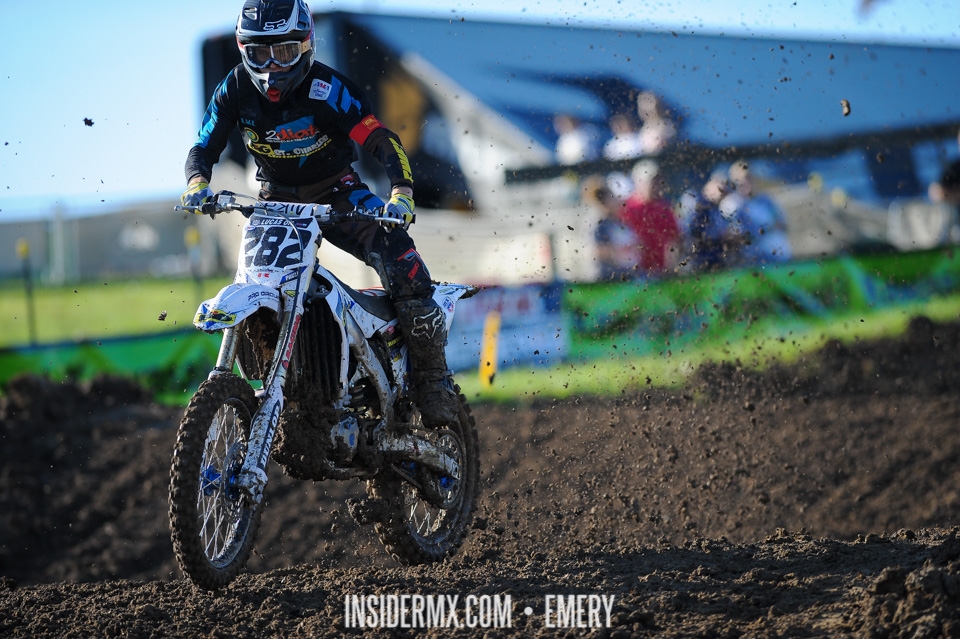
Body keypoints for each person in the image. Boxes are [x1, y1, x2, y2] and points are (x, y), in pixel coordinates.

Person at [180, 0, 458, 427]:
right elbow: (203, 145)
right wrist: (197, 183)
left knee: (404, 265)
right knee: (261, 283)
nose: (272, 66)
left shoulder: (329, 88)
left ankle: (432, 379)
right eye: (259, 53)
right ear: (242, 49)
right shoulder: (234, 88)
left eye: (284, 52)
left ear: (306, 45)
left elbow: (381, 139)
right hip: (274, 204)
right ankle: (298, 380)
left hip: (339, 195)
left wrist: (401, 192)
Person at [619, 160, 682, 277]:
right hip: (632, 273)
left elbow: (674, 240)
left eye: (658, 180)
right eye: (652, 181)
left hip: (660, 273)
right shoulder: (626, 209)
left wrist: (671, 268)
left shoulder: (664, 209)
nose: (656, 184)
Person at [722, 160, 792, 265]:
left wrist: (769, 230)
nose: (745, 182)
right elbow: (728, 234)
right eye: (740, 180)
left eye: (748, 178)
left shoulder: (766, 201)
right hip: (750, 259)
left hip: (778, 256)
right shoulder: (731, 204)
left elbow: (782, 224)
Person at [581, 176, 640, 281]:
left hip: (629, 275)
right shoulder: (599, 225)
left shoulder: (619, 222)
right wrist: (621, 251)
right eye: (614, 198)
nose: (619, 202)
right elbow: (597, 252)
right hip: (610, 279)